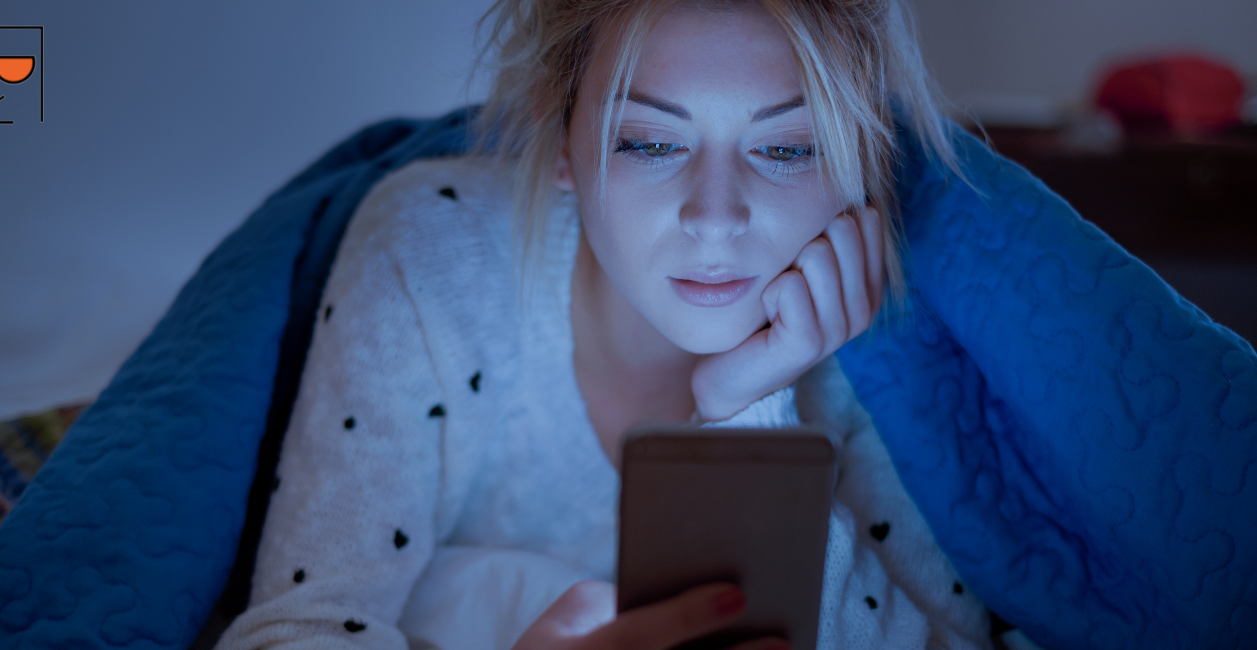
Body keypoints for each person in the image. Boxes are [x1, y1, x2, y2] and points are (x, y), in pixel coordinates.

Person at [216, 1, 994, 648]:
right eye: (650, 142)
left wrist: (749, 411)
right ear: (561, 141)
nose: (714, 218)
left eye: (788, 148)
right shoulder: (435, 255)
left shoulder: (877, 344)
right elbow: (294, 630)